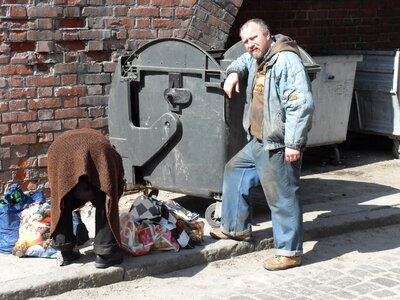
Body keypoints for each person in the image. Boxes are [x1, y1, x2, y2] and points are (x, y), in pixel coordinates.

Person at [210, 19, 315, 271]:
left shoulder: (285, 60)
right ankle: (235, 229)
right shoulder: (259, 57)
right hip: (258, 139)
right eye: (245, 41)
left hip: (278, 143)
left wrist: (293, 143)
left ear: (268, 35)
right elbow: (243, 61)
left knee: (282, 196)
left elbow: (301, 104)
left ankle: (289, 252)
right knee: (235, 170)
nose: (249, 45)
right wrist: (233, 72)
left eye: (254, 38)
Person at [47, 128, 126, 268]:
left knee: (62, 197)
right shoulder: (110, 152)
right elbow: (113, 191)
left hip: (60, 151)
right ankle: (105, 254)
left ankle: (66, 251)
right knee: (104, 197)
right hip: (96, 150)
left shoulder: (107, 149)